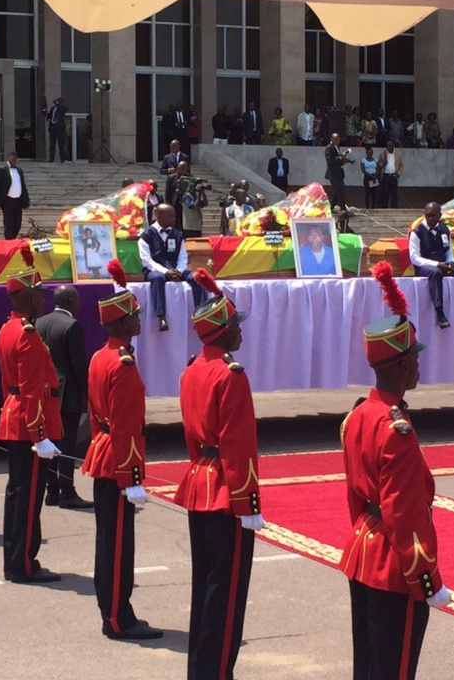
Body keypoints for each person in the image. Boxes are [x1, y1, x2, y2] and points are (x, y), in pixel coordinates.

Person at [342, 262, 449, 680]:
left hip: (363, 549)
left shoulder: (358, 416)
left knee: (368, 666)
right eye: (414, 361)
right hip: (394, 566)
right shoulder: (396, 429)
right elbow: (405, 512)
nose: (419, 368)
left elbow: (355, 496)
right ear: (402, 368)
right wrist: (428, 578)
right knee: (394, 669)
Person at [175, 269, 261, 680]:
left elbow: (195, 437)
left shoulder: (191, 369)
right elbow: (239, 444)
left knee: (205, 586)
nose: (240, 334)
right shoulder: (231, 375)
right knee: (225, 594)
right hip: (226, 490)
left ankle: (202, 669)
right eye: (234, 328)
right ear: (222, 333)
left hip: (199, 482)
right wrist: (248, 502)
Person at [82, 260, 164, 641]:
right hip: (117, 461)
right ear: (121, 324)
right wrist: (132, 477)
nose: (138, 322)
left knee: (108, 538)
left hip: (103, 451)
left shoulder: (101, 356)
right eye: (134, 317)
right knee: (116, 544)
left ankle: (114, 609)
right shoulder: (123, 365)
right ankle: (117, 616)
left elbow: (95, 414)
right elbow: (128, 426)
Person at [0, 244, 64, 584]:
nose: (44, 300)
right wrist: (41, 436)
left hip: (15, 416)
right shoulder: (26, 335)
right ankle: (21, 563)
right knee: (27, 496)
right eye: (39, 294)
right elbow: (31, 389)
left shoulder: (10, 329)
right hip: (28, 424)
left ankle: (17, 558)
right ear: (25, 299)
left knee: (18, 492)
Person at [35, 285, 94, 510]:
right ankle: (67, 491)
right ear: (70, 301)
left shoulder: (40, 322)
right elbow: (79, 365)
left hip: (47, 392)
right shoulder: (72, 325)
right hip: (67, 393)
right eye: (77, 299)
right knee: (67, 444)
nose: (79, 304)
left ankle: (52, 491)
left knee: (50, 442)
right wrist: (89, 394)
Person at [137, 204, 205, 332]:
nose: (174, 219)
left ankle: (200, 313)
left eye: (174, 216)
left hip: (176, 268)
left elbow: (183, 257)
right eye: (170, 216)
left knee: (197, 277)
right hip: (154, 269)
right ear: (158, 216)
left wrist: (178, 270)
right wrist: (165, 272)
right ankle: (161, 316)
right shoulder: (146, 235)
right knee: (157, 278)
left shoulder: (177, 234)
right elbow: (147, 260)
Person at [0, 152, 30, 240]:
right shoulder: (2, 170)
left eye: (16, 159)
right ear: (9, 158)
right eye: (13, 158)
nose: (14, 161)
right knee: (9, 223)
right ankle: (9, 240)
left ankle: (13, 238)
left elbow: (23, 186)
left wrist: (26, 201)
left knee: (18, 223)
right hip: (7, 201)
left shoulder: (19, 171)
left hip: (18, 201)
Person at [173, 163, 208, 239]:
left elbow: (205, 204)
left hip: (197, 225)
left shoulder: (196, 195)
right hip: (189, 226)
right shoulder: (187, 196)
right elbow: (193, 207)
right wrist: (198, 193)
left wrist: (203, 193)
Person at [325, 133, 352, 213]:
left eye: (339, 139)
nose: (338, 141)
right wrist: (340, 158)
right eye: (336, 139)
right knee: (340, 190)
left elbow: (338, 161)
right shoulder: (329, 148)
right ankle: (343, 208)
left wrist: (343, 161)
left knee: (338, 190)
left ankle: (331, 206)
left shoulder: (336, 147)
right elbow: (330, 161)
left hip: (338, 173)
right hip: (333, 173)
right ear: (332, 139)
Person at [159, 139, 189, 208]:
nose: (171, 148)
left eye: (173, 146)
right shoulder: (167, 157)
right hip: (172, 181)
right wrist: (169, 170)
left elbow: (188, 170)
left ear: (178, 147)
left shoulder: (185, 157)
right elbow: (161, 171)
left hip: (183, 181)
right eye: (171, 147)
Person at [378, 141, 403, 209]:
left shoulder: (398, 154)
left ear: (393, 146)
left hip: (394, 176)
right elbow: (379, 164)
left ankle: (394, 207)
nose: (389, 147)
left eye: (390, 146)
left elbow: (401, 165)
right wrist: (384, 163)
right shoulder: (383, 154)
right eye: (388, 146)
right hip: (386, 176)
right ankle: (384, 207)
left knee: (394, 193)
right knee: (385, 192)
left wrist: (398, 173)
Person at [46, 96, 67, 162]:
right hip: (53, 127)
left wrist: (59, 105)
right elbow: (49, 115)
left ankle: (62, 159)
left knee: (61, 144)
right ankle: (51, 159)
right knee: (52, 144)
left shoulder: (63, 108)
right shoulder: (52, 108)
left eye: (58, 101)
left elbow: (63, 110)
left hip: (59, 128)